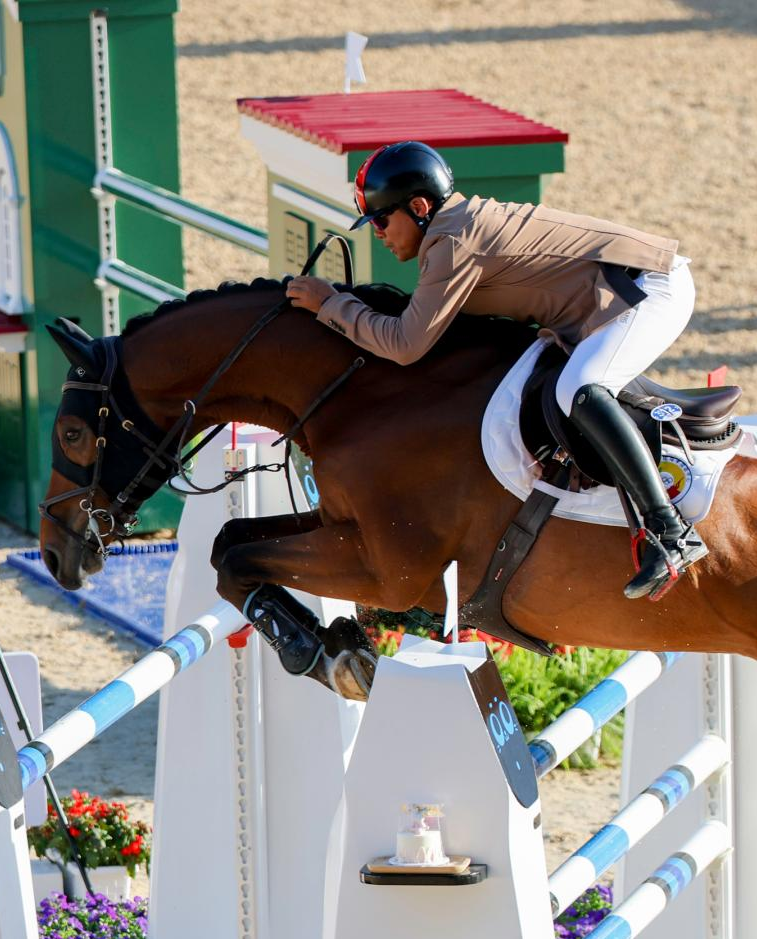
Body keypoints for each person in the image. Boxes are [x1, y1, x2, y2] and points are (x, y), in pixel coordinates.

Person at [285, 141, 705, 600]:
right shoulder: (451, 229)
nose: (378, 234)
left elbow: (405, 345)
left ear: (419, 208)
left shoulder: (453, 241)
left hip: (651, 289)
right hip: (619, 294)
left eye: (381, 220)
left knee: (579, 387)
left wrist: (331, 305)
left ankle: (669, 532)